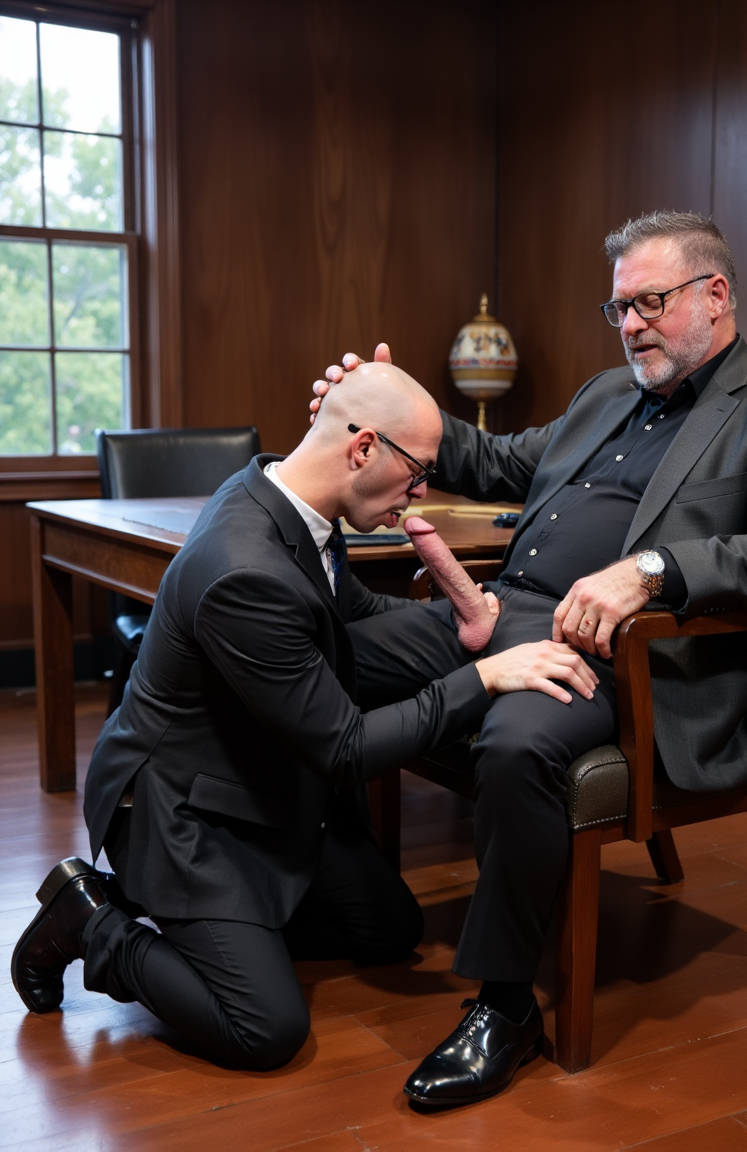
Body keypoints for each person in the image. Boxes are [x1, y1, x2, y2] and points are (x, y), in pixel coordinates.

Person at [312, 210, 747, 1107]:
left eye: (650, 302)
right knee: (315, 649)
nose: (631, 323)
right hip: (495, 616)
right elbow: (491, 456)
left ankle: (508, 1006)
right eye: (619, 307)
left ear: (716, 296)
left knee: (518, 743)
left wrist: (651, 570)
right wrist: (380, 399)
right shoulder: (606, 393)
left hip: (629, 655)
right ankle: (316, 876)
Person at [10, 361, 598, 1072]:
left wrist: (462, 622)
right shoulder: (243, 570)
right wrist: (483, 677)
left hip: (263, 785)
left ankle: (233, 923)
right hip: (184, 812)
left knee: (390, 929)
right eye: (417, 474)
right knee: (265, 1029)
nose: (420, 494)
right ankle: (91, 922)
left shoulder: (287, 495)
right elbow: (346, 749)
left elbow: (349, 615)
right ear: (363, 449)